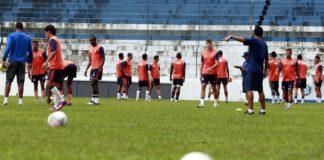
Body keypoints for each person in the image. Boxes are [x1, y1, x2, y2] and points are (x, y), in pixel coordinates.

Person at [224, 25, 269, 115]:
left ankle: (250, 110)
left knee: (249, 89)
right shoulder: (264, 44)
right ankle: (263, 110)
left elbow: (243, 39)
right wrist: (265, 71)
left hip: (252, 69)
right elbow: (266, 60)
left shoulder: (254, 40)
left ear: (254, 33)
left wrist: (232, 37)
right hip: (260, 70)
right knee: (260, 90)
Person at [2, 22, 33, 106]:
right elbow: (30, 51)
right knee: (21, 82)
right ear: (22, 28)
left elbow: (8, 48)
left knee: (8, 81)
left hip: (12, 60)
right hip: (22, 61)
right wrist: (30, 61)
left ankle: (5, 100)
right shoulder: (27, 37)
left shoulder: (12, 36)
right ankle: (20, 101)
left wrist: (4, 59)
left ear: (15, 28)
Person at [43, 24, 66, 110]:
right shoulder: (56, 39)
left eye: (45, 33)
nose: (45, 35)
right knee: (55, 85)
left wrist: (46, 62)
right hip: (59, 65)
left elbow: (53, 52)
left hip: (55, 66)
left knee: (48, 84)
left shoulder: (52, 39)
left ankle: (61, 99)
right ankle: (56, 106)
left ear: (49, 32)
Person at [197, 39, 220, 108]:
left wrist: (211, 68)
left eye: (209, 43)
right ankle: (202, 103)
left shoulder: (216, 52)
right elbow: (202, 63)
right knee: (203, 86)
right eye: (207, 43)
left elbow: (217, 63)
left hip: (213, 73)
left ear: (212, 44)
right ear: (205, 44)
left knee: (214, 88)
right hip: (205, 72)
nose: (208, 44)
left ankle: (215, 102)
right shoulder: (203, 53)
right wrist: (200, 73)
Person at [84, 36, 105, 105]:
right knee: (93, 84)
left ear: (95, 40)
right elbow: (90, 60)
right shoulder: (90, 49)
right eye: (90, 41)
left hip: (97, 68)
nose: (91, 42)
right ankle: (93, 100)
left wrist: (101, 67)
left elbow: (103, 58)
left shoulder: (100, 48)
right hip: (92, 68)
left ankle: (96, 100)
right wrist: (86, 69)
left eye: (92, 41)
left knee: (94, 83)